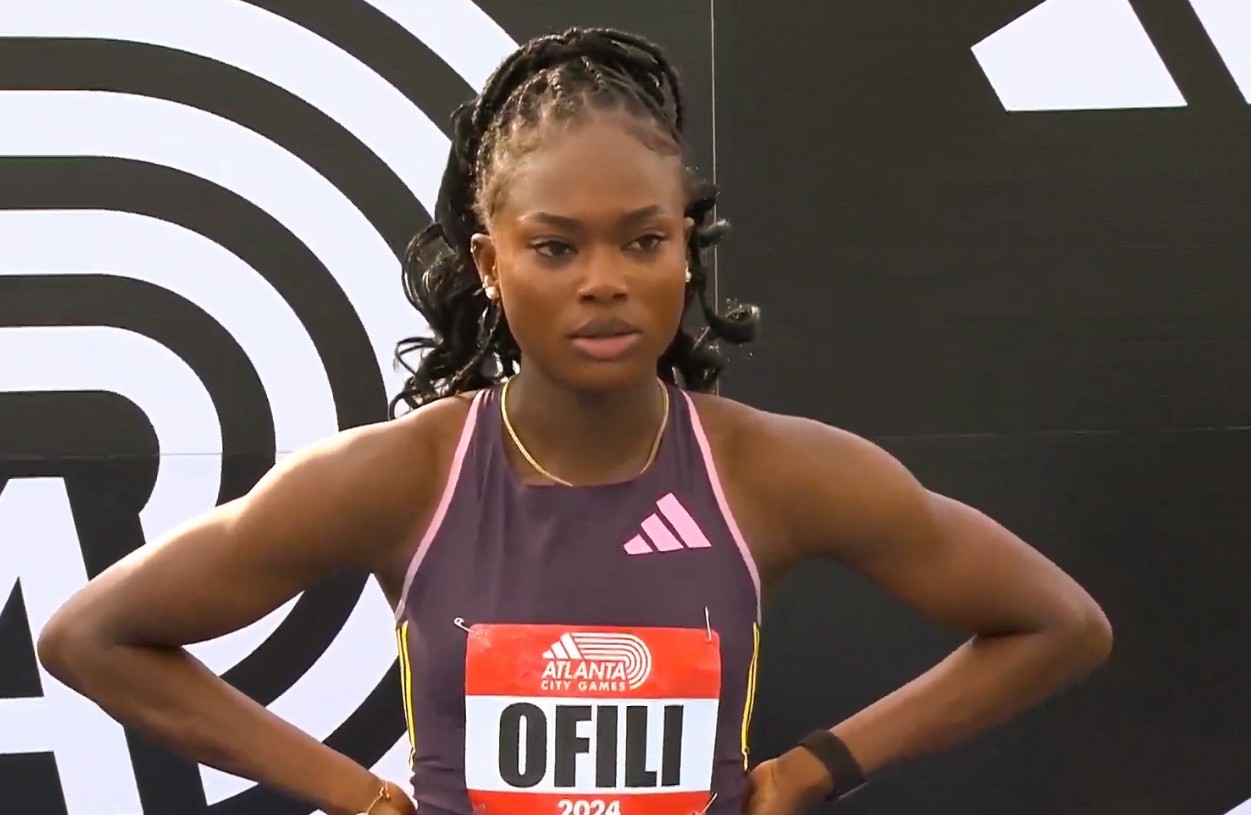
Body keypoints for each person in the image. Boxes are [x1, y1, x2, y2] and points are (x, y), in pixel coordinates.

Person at [36, 26, 1112, 815]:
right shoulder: (407, 476)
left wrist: (813, 769)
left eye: (643, 241)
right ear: (489, 261)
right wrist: (359, 796)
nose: (606, 280)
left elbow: (1057, 622)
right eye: (556, 247)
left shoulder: (768, 473)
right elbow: (93, 635)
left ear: (685, 249)